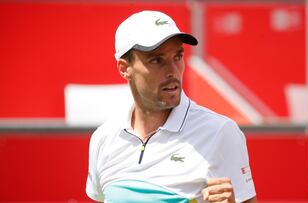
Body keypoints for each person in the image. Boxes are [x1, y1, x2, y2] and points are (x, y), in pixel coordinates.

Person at [86, 10, 256, 203]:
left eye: (177, 56)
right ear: (125, 69)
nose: (173, 71)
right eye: (157, 60)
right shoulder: (103, 139)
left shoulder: (220, 131)